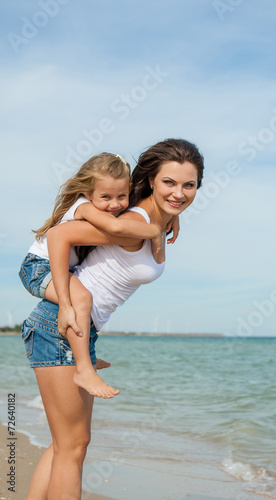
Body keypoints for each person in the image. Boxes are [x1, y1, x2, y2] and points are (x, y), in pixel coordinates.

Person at [21, 138, 204, 500]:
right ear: (151, 180)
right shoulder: (134, 223)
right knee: (72, 448)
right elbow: (60, 234)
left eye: (189, 185)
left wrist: (165, 223)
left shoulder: (153, 223)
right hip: (58, 323)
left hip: (76, 330)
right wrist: (70, 308)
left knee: (66, 446)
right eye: (169, 182)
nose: (179, 193)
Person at [18, 152, 176, 398]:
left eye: (121, 196)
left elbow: (133, 211)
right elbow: (115, 227)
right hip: (38, 266)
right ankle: (83, 368)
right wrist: (154, 231)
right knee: (80, 299)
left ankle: (84, 357)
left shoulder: (108, 205)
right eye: (106, 197)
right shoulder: (84, 207)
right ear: (89, 193)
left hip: (59, 268)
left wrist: (173, 216)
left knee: (77, 440)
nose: (115, 205)